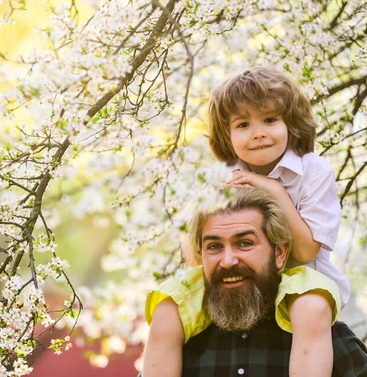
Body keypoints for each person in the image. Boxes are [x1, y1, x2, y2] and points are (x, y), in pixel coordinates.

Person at [144, 66, 350, 376]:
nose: (258, 133)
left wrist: (275, 190)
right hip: (240, 276)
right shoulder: (219, 178)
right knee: (168, 306)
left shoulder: (313, 172)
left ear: (291, 124)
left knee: (310, 309)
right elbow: (196, 254)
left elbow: (306, 252)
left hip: (300, 278)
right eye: (243, 124)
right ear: (227, 135)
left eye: (269, 120)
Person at [144, 189, 367, 376]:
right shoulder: (178, 340)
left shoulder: (324, 336)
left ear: (279, 254)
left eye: (245, 243)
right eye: (214, 246)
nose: (227, 261)